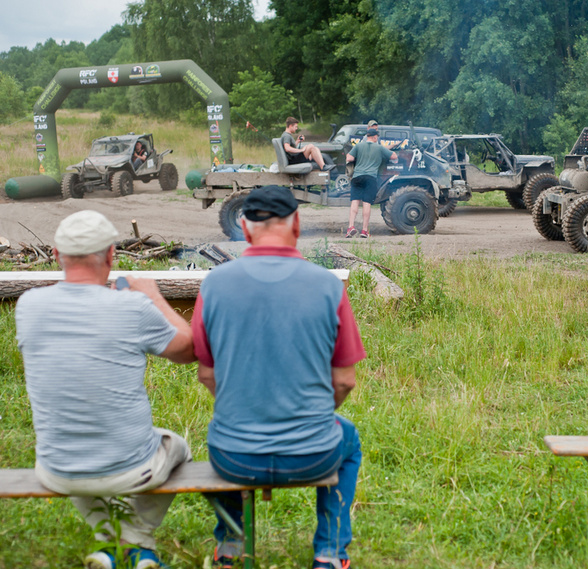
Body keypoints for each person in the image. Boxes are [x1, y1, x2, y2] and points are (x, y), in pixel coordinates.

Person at [191, 186, 366, 569]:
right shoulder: (328, 286)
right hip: (313, 456)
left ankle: (232, 548)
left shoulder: (213, 285)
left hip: (235, 458)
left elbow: (207, 372)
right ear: (297, 224)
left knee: (220, 430)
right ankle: (330, 553)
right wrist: (315, 414)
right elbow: (345, 381)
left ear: (244, 227)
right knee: (348, 439)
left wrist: (243, 406)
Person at [16, 210, 195, 569]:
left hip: (57, 468)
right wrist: (154, 297)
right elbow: (188, 350)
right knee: (179, 447)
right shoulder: (132, 307)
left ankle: (109, 545)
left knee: (80, 447)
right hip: (133, 469)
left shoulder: (27, 305)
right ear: (111, 255)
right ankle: (136, 541)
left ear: (55, 254)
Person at [345, 128, 397, 238]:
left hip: (357, 177)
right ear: (374, 137)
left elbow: (349, 158)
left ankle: (351, 227)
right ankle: (364, 231)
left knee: (355, 201)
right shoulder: (379, 148)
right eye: (377, 137)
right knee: (366, 203)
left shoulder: (358, 146)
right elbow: (394, 156)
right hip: (370, 178)